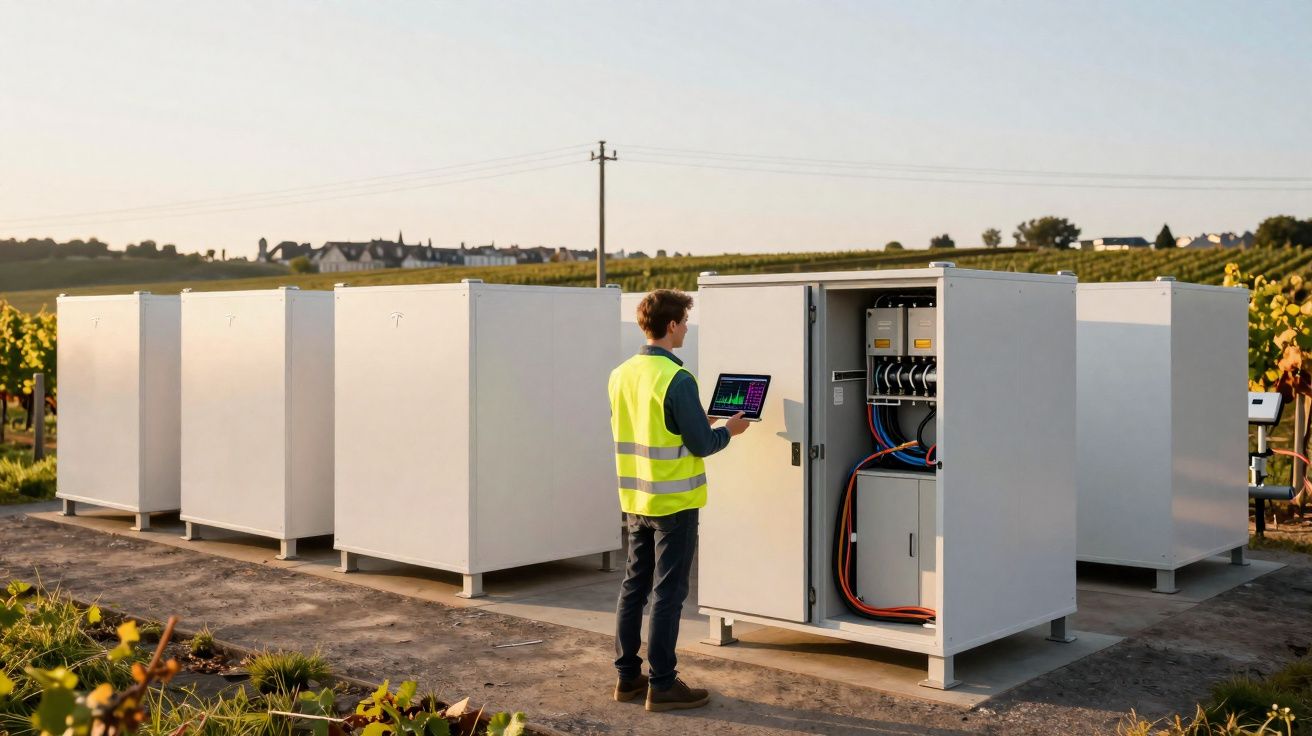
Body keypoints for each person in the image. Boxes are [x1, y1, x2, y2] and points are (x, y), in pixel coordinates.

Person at [607, 289, 750, 712]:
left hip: (636, 498)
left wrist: (696, 421)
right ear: (671, 326)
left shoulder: (621, 374)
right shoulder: (678, 378)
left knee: (634, 586)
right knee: (669, 593)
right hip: (675, 503)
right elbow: (703, 444)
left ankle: (627, 678)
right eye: (685, 322)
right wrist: (729, 431)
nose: (687, 328)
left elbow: (655, 427)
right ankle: (664, 684)